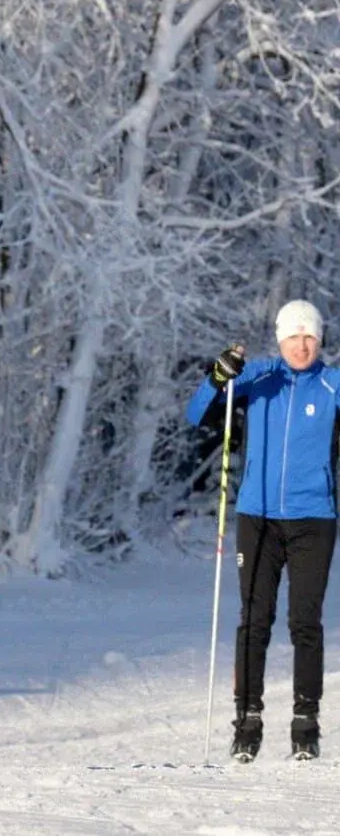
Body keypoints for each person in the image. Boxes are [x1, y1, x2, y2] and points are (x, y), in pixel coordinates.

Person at [187, 299, 339, 762]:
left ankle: (305, 726)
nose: (301, 345)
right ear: (280, 339)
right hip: (259, 518)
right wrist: (218, 376)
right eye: (293, 336)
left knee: (305, 624)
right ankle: (247, 723)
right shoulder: (257, 378)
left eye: (309, 336)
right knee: (254, 621)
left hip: (314, 519)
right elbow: (198, 414)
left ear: (320, 340)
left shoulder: (332, 385)